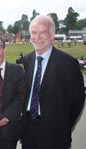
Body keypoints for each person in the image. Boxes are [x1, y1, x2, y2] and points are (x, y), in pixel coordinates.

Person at [21, 15, 85, 149]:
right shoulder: (27, 61)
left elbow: (77, 100)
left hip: (55, 134)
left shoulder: (68, 63)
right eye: (34, 32)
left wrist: (64, 125)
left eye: (42, 32)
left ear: (52, 34)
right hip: (28, 131)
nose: (37, 37)